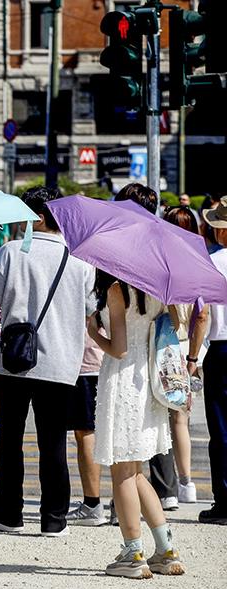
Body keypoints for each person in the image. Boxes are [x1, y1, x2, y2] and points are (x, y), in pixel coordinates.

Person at [0, 186, 96, 537]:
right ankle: (54, 519)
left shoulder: (12, 252)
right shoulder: (80, 261)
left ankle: (9, 515)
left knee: (11, 439)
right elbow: (91, 310)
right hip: (61, 362)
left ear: (38, 217)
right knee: (53, 442)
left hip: (13, 360)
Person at [89, 273, 186, 578]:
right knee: (136, 471)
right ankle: (166, 550)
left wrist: (94, 332)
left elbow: (118, 348)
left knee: (122, 471)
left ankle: (133, 554)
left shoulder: (117, 289)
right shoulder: (158, 285)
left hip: (123, 379)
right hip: (150, 381)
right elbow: (177, 325)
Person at [116, 184, 180, 511]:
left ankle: (128, 527)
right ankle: (165, 504)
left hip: (122, 369)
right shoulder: (162, 257)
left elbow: (117, 343)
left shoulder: (116, 265)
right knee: (150, 440)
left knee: (124, 460)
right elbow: (177, 322)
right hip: (153, 363)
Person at [163, 206, 201, 505]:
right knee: (181, 419)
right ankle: (186, 483)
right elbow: (203, 316)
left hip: (165, 347)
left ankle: (168, 486)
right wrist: (194, 357)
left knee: (161, 418)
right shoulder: (198, 263)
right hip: (189, 349)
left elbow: (168, 313)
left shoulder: (165, 263)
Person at [193, 203, 227, 525]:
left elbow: (202, 315)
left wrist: (193, 358)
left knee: (221, 430)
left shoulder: (213, 263)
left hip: (221, 349)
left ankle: (225, 501)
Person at [65, 333, 107, 526]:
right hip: (111, 360)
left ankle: (92, 503)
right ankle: (120, 503)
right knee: (109, 433)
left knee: (85, 432)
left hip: (87, 361)